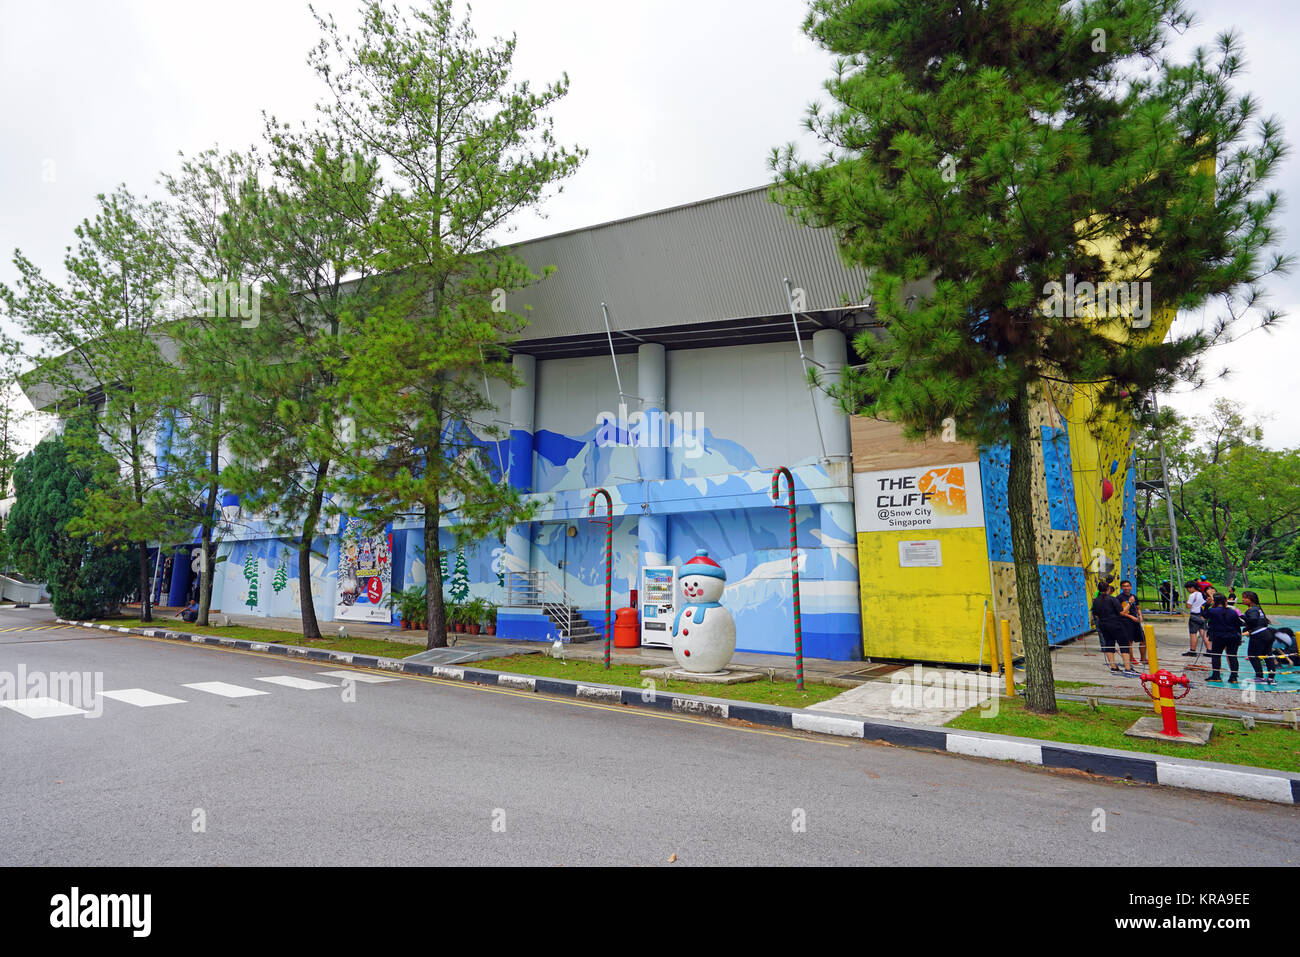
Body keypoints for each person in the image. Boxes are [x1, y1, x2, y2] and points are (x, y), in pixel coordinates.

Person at [1092, 582, 1140, 676]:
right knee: (1124, 644)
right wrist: (1130, 602)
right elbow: (1122, 612)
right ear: (1108, 589)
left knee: (1109, 643)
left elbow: (1096, 614)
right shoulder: (1112, 599)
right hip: (1115, 623)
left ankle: (1113, 667)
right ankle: (1128, 668)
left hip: (1103, 624)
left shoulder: (1096, 601)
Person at [1203, 594, 1242, 684]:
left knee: (1216, 655)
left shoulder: (1212, 611)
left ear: (1215, 602)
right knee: (1232, 656)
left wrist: (1206, 605)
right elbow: (1238, 625)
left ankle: (1216, 675)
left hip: (1218, 636)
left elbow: (1203, 616)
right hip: (1233, 636)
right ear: (1225, 601)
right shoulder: (1233, 612)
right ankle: (1234, 677)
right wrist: (1239, 637)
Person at [1239, 591, 1276, 685]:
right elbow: (1260, 622)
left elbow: (1253, 620)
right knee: (1267, 655)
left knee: (1252, 655)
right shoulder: (1258, 609)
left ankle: (1259, 677)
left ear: (1251, 599)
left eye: (1245, 598)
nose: (1243, 599)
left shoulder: (1252, 610)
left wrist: (1241, 616)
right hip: (1267, 633)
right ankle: (1271, 678)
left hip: (1258, 635)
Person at [1118, 580, 1146, 665]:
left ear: (1130, 587)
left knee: (1143, 640)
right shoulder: (1119, 598)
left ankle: (1143, 658)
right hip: (1126, 622)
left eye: (1128, 586)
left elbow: (1138, 608)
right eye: (1124, 586)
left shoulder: (1134, 596)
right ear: (1122, 587)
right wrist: (1131, 616)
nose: (1126, 588)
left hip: (1136, 622)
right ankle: (1131, 658)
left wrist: (1140, 615)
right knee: (1129, 641)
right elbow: (1121, 612)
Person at [1183, 581, 1207, 656]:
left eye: (1188, 588)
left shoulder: (1192, 595)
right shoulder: (1202, 594)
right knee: (1204, 633)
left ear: (1192, 587)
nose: (1188, 590)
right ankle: (1210, 650)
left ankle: (1192, 651)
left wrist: (1186, 603)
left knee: (1193, 634)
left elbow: (1188, 606)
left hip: (1194, 615)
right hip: (1202, 615)